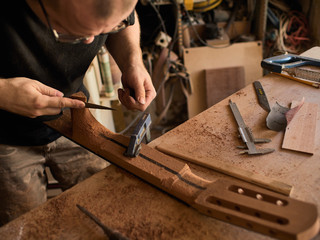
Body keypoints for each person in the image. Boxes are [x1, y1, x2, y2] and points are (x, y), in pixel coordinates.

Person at [0, 0, 156, 226]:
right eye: (72, 33)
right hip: (5, 139)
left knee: (113, 208)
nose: (90, 42)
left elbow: (126, 19)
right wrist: (3, 93)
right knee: (25, 227)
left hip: (73, 120)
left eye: (104, 30)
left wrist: (132, 60)